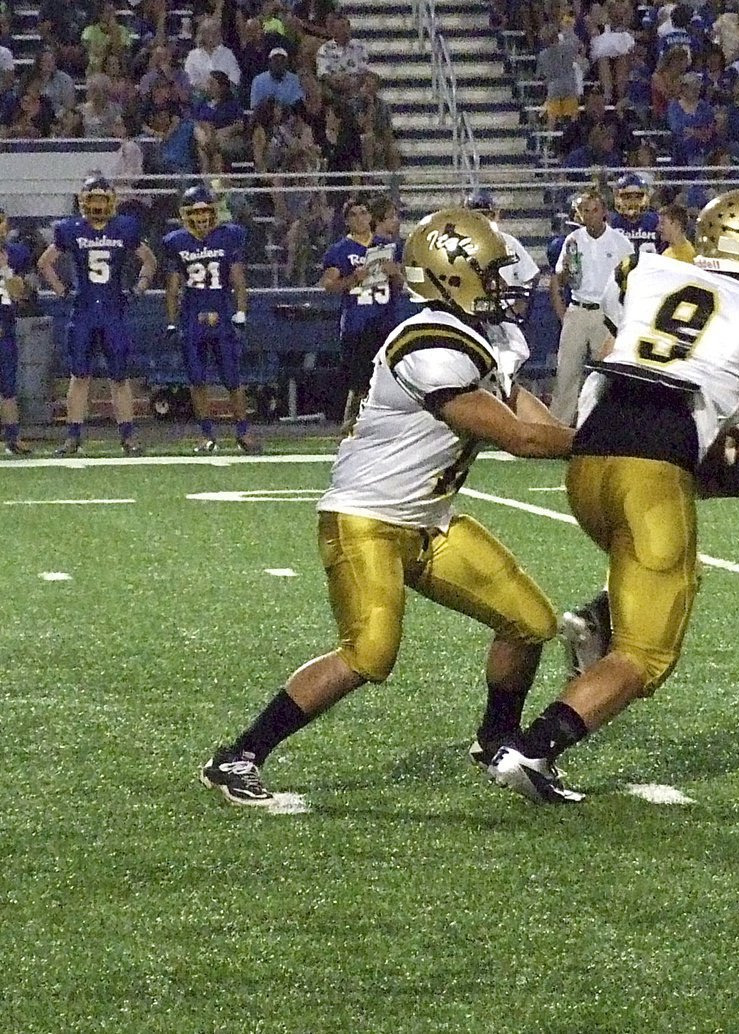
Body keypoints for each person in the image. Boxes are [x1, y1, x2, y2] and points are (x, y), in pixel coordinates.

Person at [199, 207, 576, 808]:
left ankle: (497, 739)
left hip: (429, 521)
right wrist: (603, 441)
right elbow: (517, 437)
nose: (507, 285)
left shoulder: (489, 338)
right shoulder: (426, 341)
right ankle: (238, 756)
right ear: (451, 279)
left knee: (530, 622)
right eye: (493, 273)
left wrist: (587, 440)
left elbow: (524, 408)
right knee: (369, 654)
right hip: (367, 519)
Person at [483, 189, 739, 805]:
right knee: (646, 654)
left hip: (586, 461)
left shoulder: (644, 269)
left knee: (654, 564)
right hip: (654, 469)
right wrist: (715, 463)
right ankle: (534, 751)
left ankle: (600, 618)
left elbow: (632, 353)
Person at [37, 175, 157, 456]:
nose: (98, 205)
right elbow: (44, 263)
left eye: (102, 199)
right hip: (86, 310)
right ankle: (74, 436)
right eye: (93, 199)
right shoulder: (71, 229)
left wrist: (139, 286)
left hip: (110, 310)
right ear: (83, 201)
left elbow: (150, 260)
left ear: (111, 201)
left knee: (119, 377)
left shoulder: (123, 228)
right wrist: (63, 291)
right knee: (79, 376)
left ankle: (127, 437)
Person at [162, 185, 260, 455]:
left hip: (222, 315)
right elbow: (173, 287)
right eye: (196, 212)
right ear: (186, 214)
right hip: (192, 318)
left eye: (206, 210)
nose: (202, 217)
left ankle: (243, 431)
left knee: (232, 378)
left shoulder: (229, 237)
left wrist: (240, 312)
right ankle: (207, 434)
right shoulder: (175, 241)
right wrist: (172, 321)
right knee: (197, 380)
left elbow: (238, 280)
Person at [547, 190, 633, 424]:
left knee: (608, 374)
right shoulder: (573, 240)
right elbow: (559, 280)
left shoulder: (620, 243)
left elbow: (631, 280)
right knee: (566, 374)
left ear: (604, 212)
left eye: (594, 210)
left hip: (606, 314)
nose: (590, 216)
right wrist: (564, 313)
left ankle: (609, 426)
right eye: (585, 211)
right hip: (578, 309)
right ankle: (559, 428)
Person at [319, 198, 404, 434]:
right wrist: (353, 278)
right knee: (359, 383)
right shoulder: (340, 251)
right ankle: (351, 426)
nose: (360, 218)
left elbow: (399, 285)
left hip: (385, 319)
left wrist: (394, 273)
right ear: (347, 220)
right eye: (354, 215)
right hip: (358, 321)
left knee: (390, 378)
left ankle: (385, 426)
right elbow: (328, 285)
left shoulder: (386, 246)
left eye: (363, 213)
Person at [464, 190, 540, 383]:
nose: (481, 219)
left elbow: (531, 275)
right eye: (476, 215)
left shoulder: (508, 242)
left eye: (485, 214)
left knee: (511, 363)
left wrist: (521, 304)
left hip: (503, 313)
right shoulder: (458, 246)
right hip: (471, 316)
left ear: (493, 215)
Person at [0, 210, 35, 455]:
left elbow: (22, 296)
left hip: (5, 323)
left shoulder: (15, 253)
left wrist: (6, 270)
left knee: (8, 384)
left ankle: (12, 437)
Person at [610, 171, 659, 254]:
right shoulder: (611, 223)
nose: (633, 201)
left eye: (637, 197)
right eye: (627, 197)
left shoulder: (656, 221)